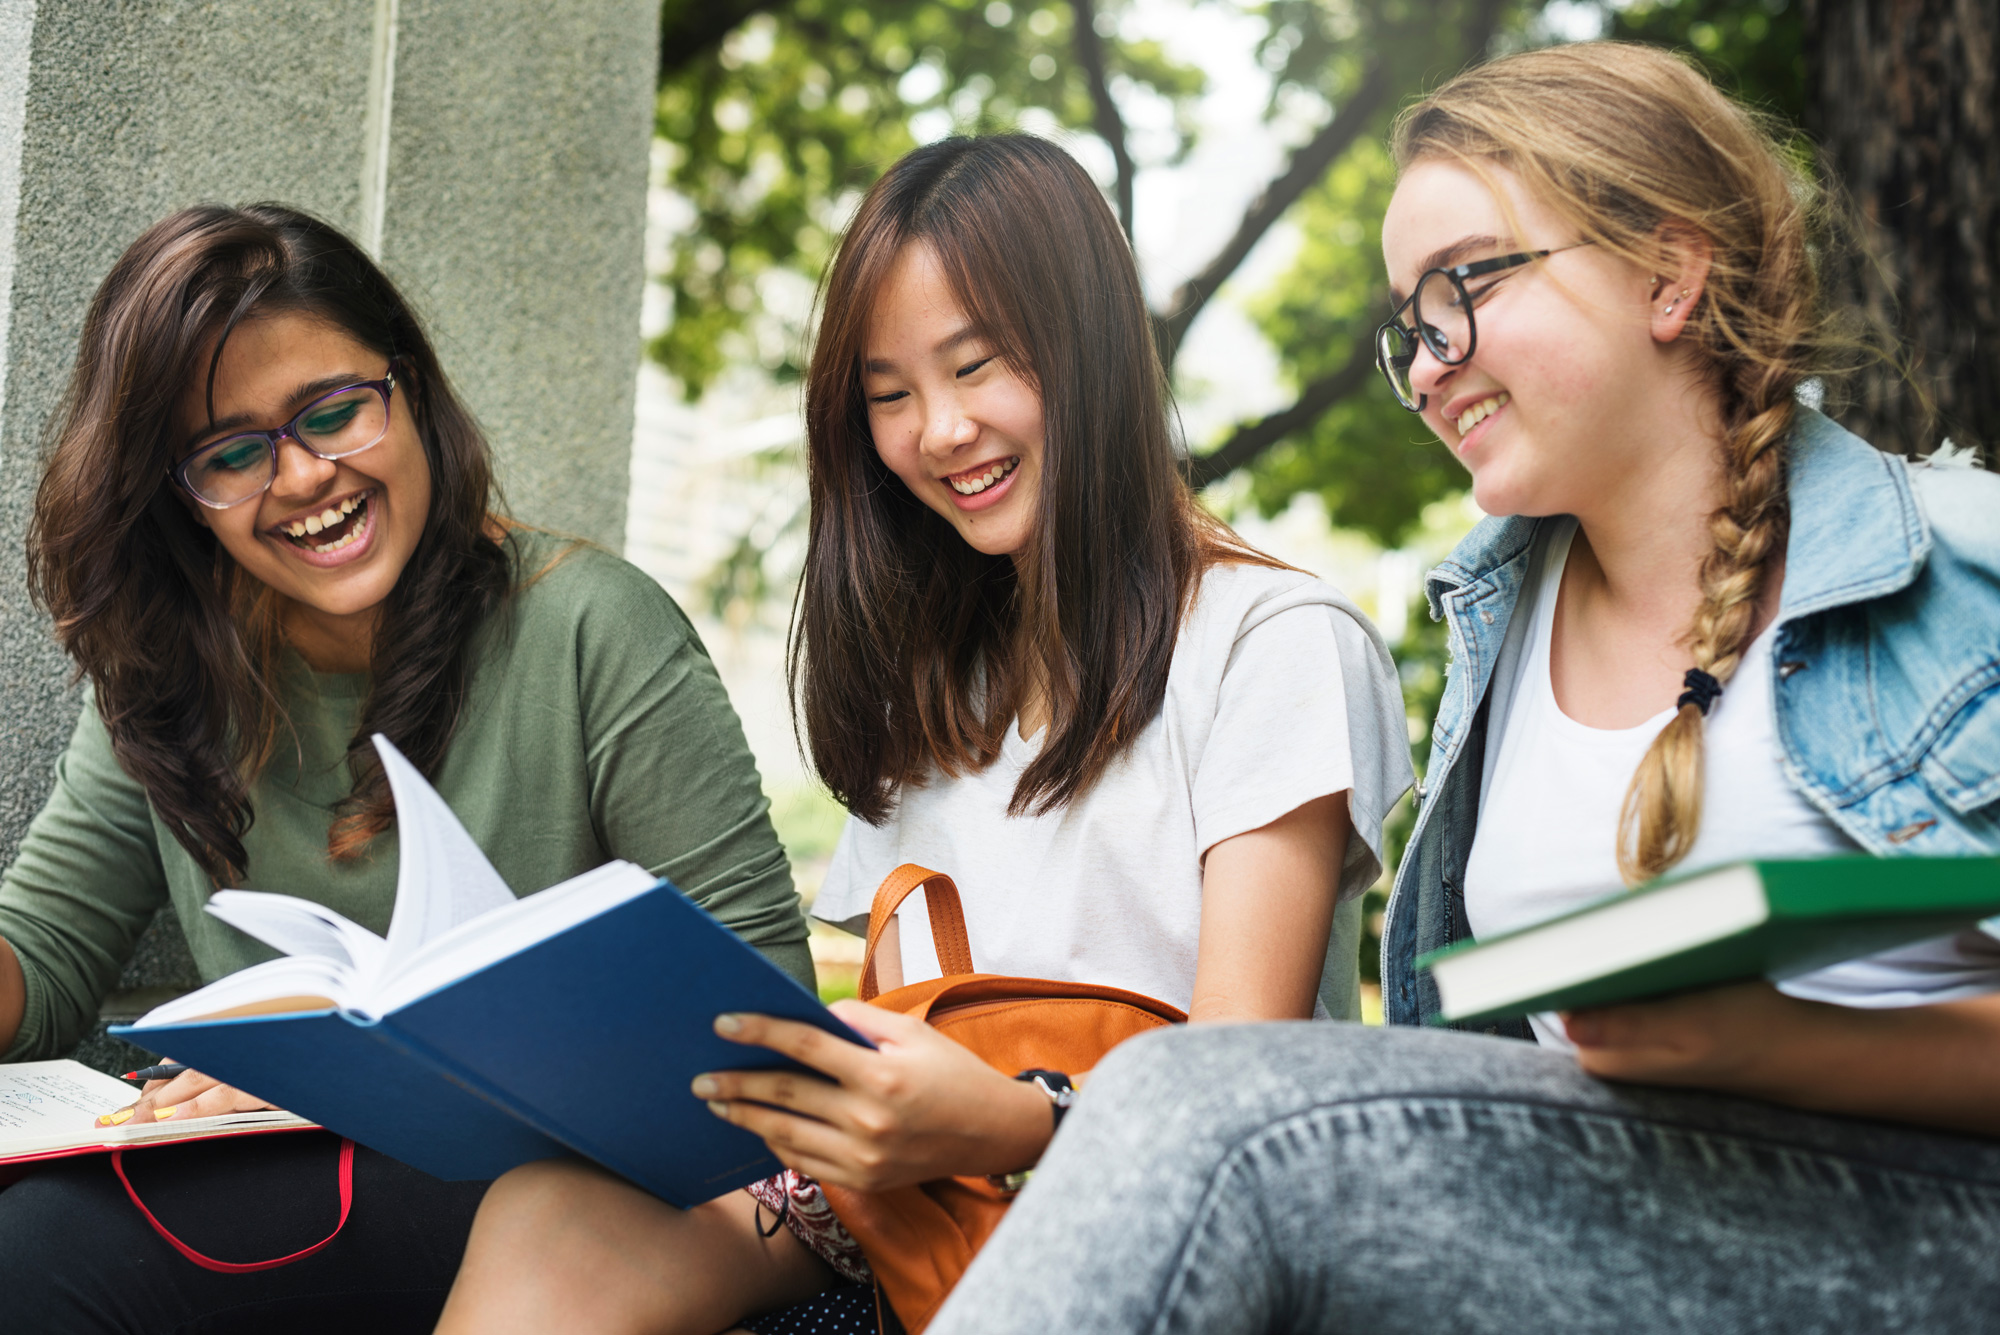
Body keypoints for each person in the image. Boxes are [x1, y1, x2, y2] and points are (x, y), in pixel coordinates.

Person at [922, 41, 2000, 1334]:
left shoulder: (1959, 563)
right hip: (1597, 1223)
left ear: (1672, 269)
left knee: (1199, 1103)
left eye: (1467, 285)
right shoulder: (1499, 626)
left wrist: (1780, 1045)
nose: (1429, 360)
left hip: (1913, 1231)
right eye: (1410, 320)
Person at [436, 133, 1414, 1335]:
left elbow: (1231, 1104)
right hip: (921, 1228)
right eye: (889, 394)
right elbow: (913, 1034)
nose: (938, 431)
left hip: (1168, 1246)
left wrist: (1009, 1120)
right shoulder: (931, 690)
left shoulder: (1272, 640)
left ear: (1088, 350)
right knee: (543, 1214)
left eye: (977, 365)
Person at [0, 203, 812, 1333]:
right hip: (294, 1178)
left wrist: (359, 1081)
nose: (297, 478)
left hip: (572, 1197)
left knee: (48, 1252)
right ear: (179, 497)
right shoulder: (163, 676)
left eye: (331, 412)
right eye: (232, 453)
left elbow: (768, 1010)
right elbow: (39, 960)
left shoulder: (588, 627)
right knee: (29, 1242)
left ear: (410, 391)